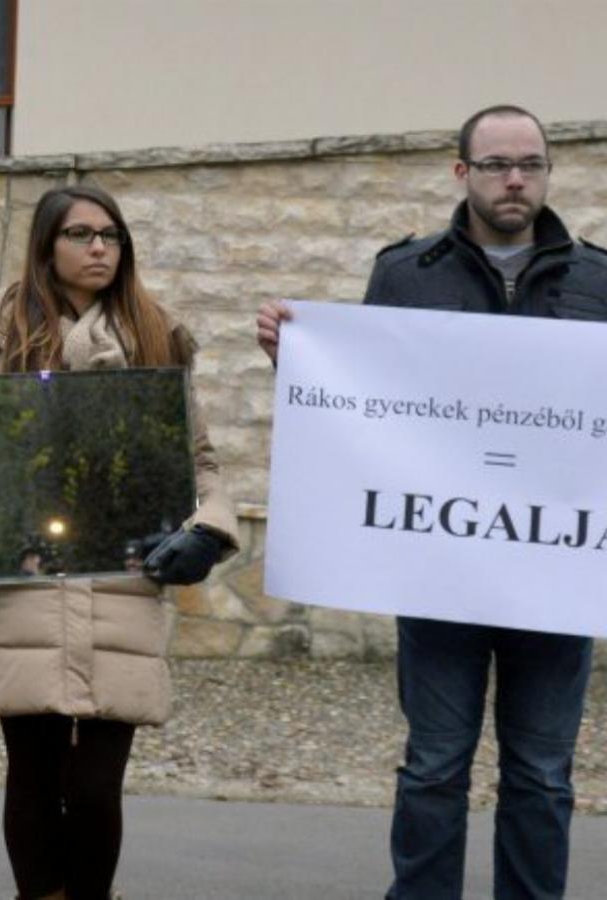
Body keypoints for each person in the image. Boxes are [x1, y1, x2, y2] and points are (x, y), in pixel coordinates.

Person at [257, 104, 604, 900]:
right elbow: (364, 403)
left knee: (544, 774)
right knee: (434, 768)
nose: (514, 178)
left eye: (530, 163)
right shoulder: (405, 274)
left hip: (556, 576)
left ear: (549, 172)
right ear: (462, 173)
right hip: (438, 572)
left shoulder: (600, 280)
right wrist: (299, 361)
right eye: (495, 164)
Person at [0, 185, 238, 900]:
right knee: (34, 772)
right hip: (21, 585)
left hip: (121, 583)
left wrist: (208, 529)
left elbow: (200, 461)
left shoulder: (157, 333)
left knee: (97, 785)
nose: (100, 247)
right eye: (80, 234)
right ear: (47, 247)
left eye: (111, 235)